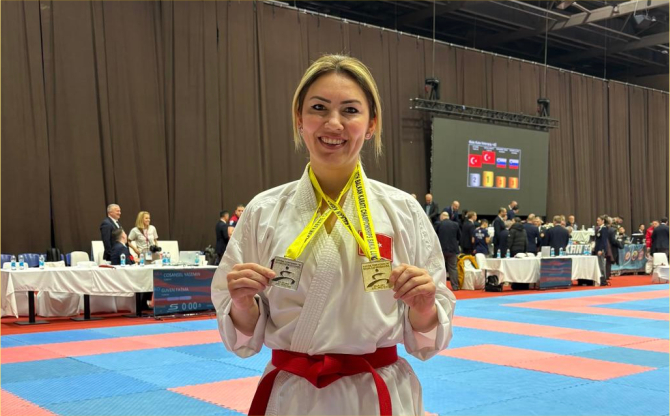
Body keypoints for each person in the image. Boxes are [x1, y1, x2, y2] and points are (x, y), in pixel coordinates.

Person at [211, 55, 455, 416]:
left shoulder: (403, 211)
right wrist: (243, 304)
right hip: (294, 396)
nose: (334, 123)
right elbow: (243, 340)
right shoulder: (264, 211)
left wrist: (424, 308)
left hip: (376, 392)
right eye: (319, 108)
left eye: (351, 110)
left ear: (371, 124)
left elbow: (426, 341)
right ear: (299, 119)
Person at [435, 212, 461, 291]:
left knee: (440, 268)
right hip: (452, 249)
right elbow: (459, 237)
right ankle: (455, 286)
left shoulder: (439, 224)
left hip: (441, 250)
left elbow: (435, 236)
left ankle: (440, 286)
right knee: (453, 268)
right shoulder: (455, 224)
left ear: (442, 217)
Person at [594, 215, 610, 285]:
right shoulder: (600, 228)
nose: (597, 222)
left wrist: (601, 249)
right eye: (597, 220)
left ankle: (603, 280)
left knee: (601, 265)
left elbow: (604, 240)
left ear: (603, 221)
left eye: (599, 220)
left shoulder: (604, 229)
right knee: (600, 264)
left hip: (601, 249)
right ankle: (601, 279)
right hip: (598, 248)